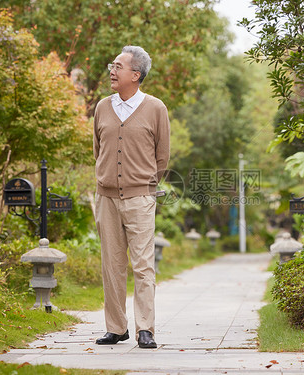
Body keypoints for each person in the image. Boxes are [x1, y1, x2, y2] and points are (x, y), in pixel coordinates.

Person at [93, 46, 170, 349]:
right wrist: (106, 180)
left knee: (143, 264)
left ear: (136, 75)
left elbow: (162, 157)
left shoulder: (156, 108)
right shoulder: (101, 107)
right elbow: (97, 150)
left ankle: (145, 329)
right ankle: (116, 328)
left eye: (119, 66)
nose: (112, 70)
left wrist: (146, 185)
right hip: (106, 198)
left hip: (141, 198)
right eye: (112, 64)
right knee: (111, 264)